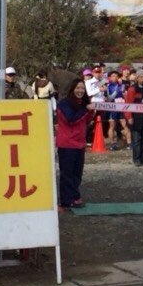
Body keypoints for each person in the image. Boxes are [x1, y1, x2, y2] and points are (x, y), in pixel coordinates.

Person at [54, 77, 88, 210]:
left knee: (77, 173)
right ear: (72, 89)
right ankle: (66, 200)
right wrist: (86, 110)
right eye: (78, 88)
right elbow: (71, 119)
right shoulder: (64, 104)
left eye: (82, 89)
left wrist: (89, 110)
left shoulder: (83, 103)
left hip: (79, 143)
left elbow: (86, 120)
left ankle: (75, 196)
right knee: (67, 173)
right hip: (67, 143)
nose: (80, 91)